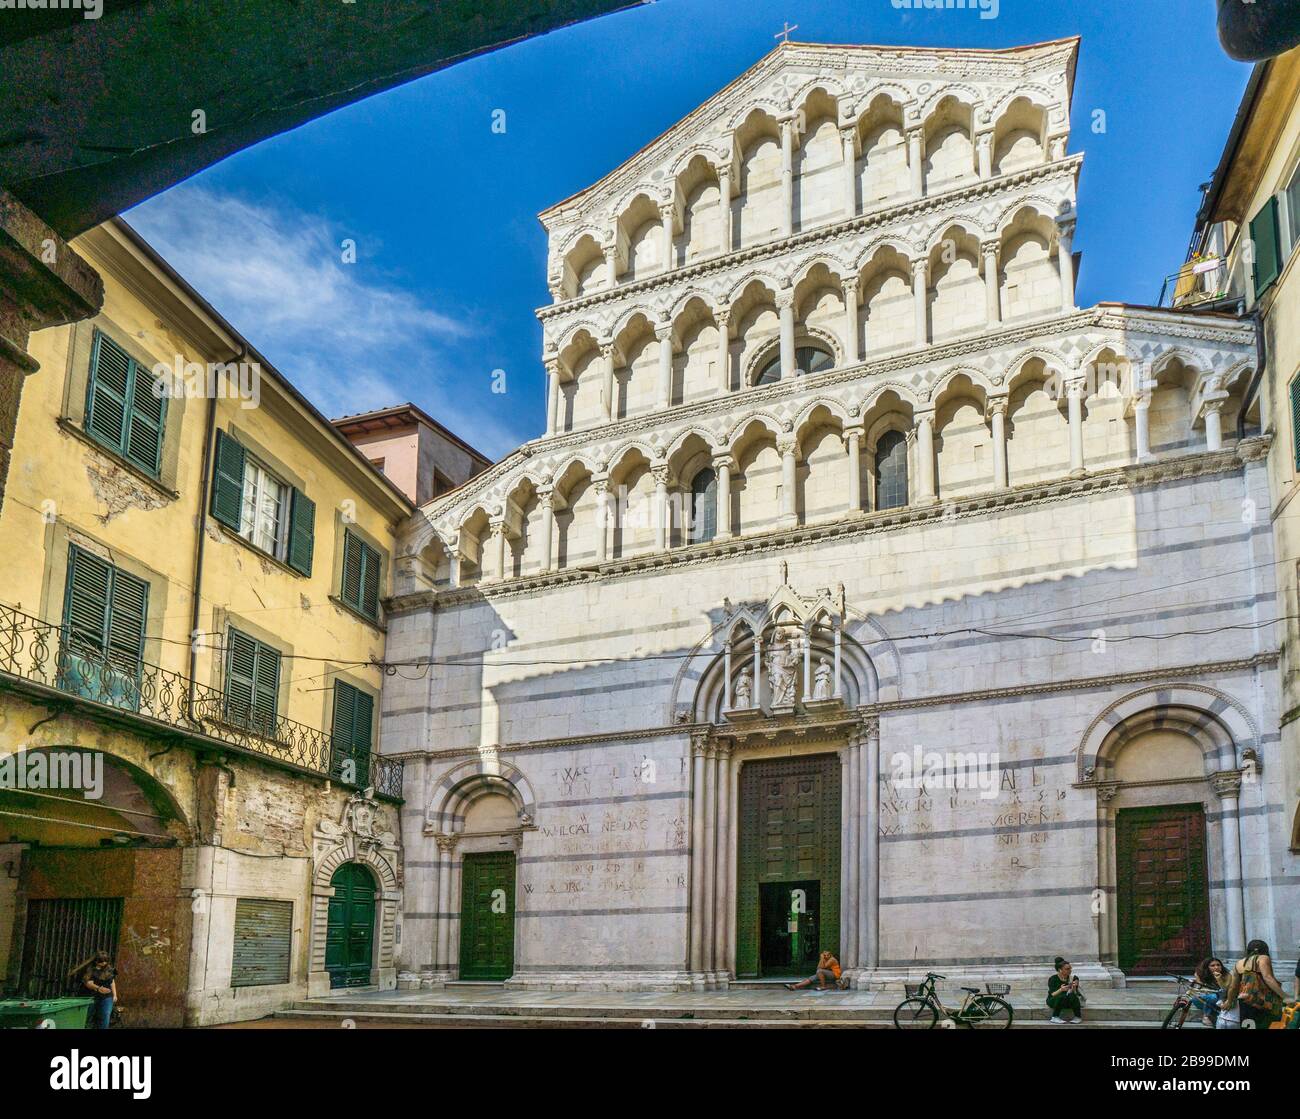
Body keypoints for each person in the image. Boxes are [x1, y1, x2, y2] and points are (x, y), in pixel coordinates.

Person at [1231, 939, 1286, 1029]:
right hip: (1262, 1002)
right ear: (1265, 949)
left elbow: (1233, 986)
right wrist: (1285, 996)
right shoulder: (1263, 958)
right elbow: (1268, 978)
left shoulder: (1238, 963)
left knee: (1248, 1026)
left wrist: (1229, 1001)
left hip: (1244, 1001)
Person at [79, 950, 119, 1029]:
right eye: (101, 961)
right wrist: (98, 988)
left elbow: (112, 982)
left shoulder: (109, 969)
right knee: (87, 1016)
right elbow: (88, 983)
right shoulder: (90, 969)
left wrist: (115, 995)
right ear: (96, 961)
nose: (104, 963)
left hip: (106, 996)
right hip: (91, 996)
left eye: (106, 961)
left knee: (105, 1015)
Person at [1191, 957, 1228, 1026]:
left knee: (1215, 998)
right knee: (1210, 997)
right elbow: (1202, 990)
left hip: (1220, 1000)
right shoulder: (1200, 974)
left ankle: (1209, 1017)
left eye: (1218, 965)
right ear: (1207, 967)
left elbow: (1225, 990)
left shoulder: (1226, 975)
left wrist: (1219, 980)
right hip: (1203, 998)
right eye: (1212, 965)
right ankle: (1208, 1016)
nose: (1216, 967)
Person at [1047, 957, 1083, 1023]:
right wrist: (1061, 989)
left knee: (1072, 996)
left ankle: (1078, 1017)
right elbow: (1052, 994)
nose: (1070, 970)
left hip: (1068, 1001)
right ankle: (1055, 1017)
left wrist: (1074, 987)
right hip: (1054, 1000)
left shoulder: (1074, 978)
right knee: (1061, 996)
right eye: (1067, 969)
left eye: (1070, 968)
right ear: (1060, 970)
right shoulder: (1053, 979)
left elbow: (1075, 993)